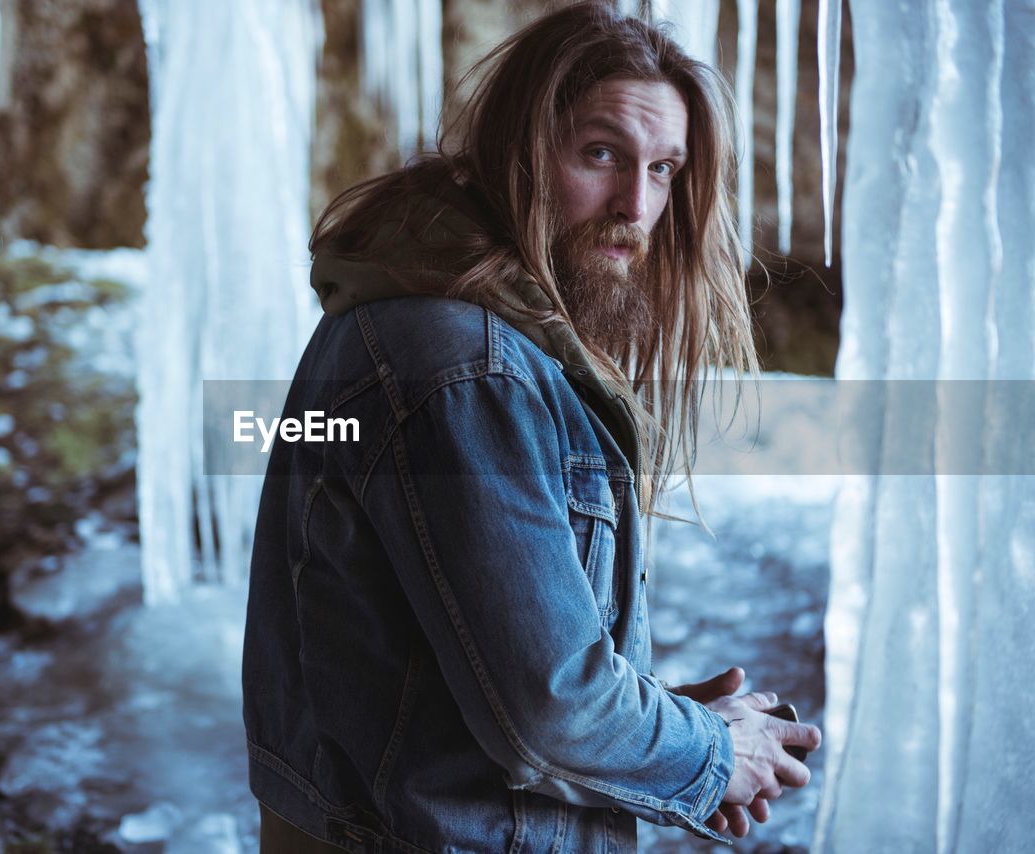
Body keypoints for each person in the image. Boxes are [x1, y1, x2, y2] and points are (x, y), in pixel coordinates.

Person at [241, 3, 822, 851]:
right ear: (521, 149)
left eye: (664, 170)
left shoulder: (426, 327)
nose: (636, 203)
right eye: (602, 154)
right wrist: (710, 751)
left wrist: (655, 733)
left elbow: (460, 661)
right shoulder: (464, 366)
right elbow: (550, 711)